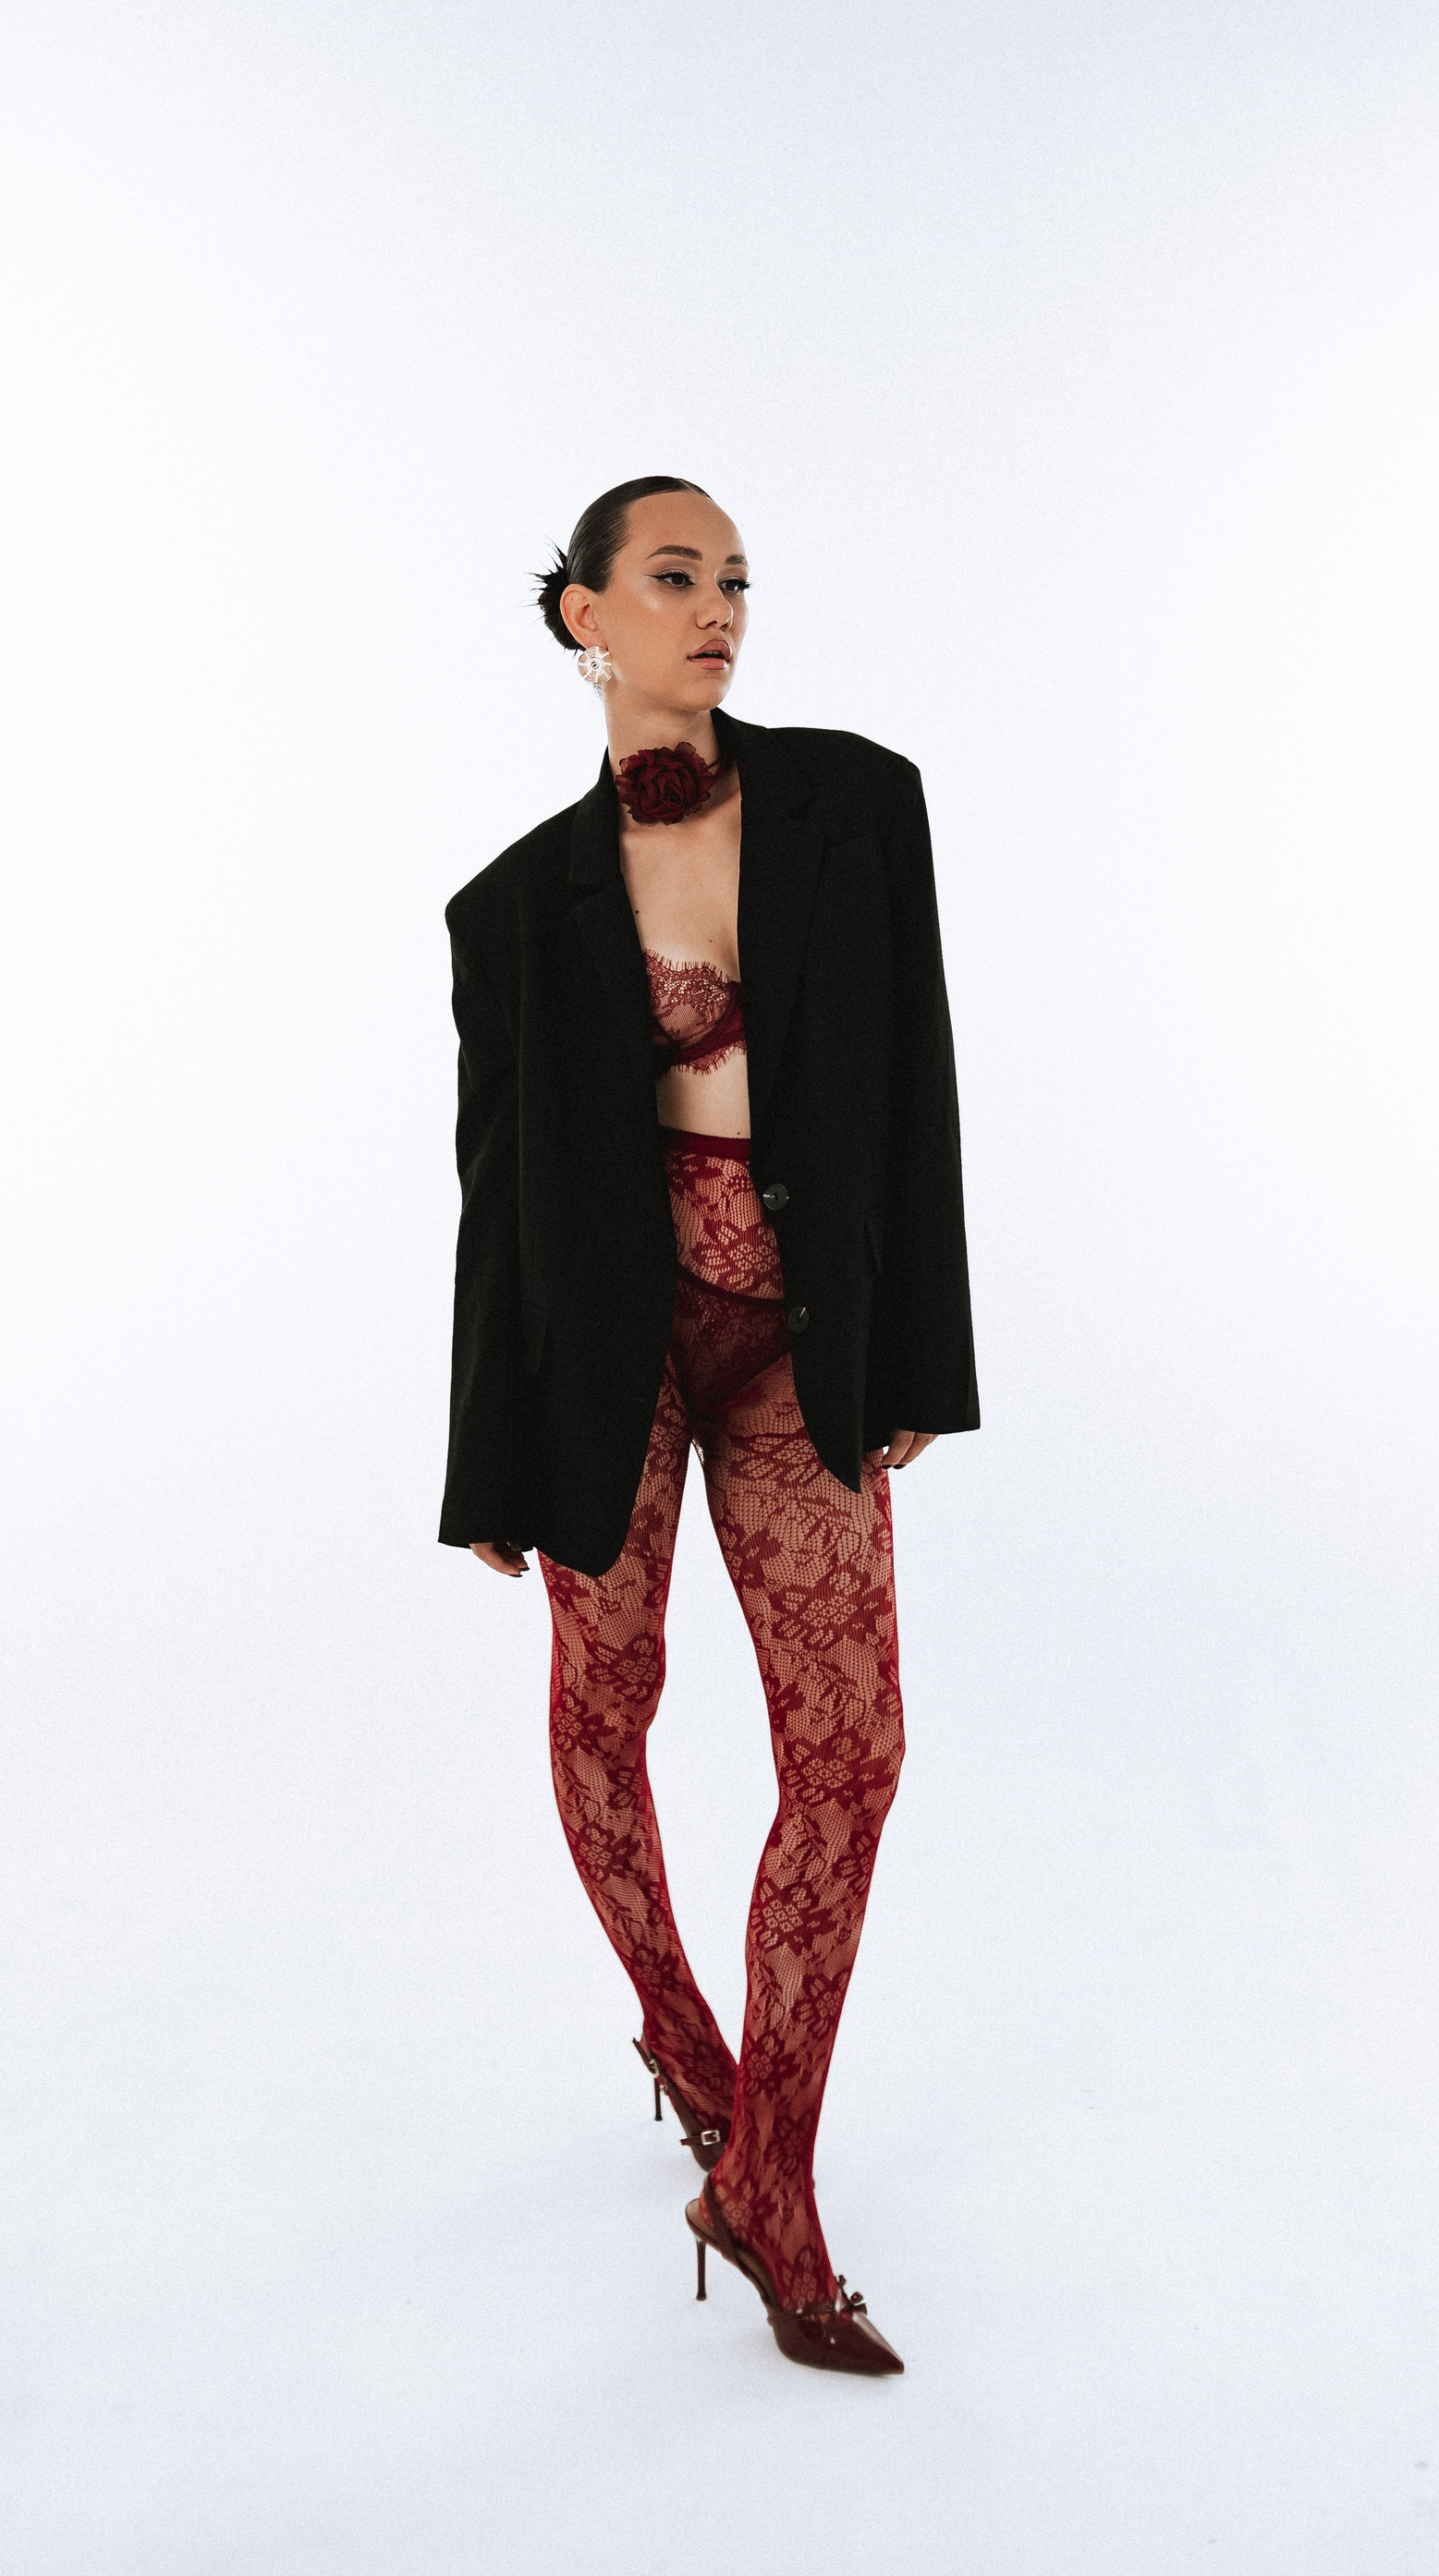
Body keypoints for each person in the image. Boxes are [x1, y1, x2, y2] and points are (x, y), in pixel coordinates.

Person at [439, 476, 978, 2375]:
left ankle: (770, 2180)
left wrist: (918, 1361)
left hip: (795, 1343)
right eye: (674, 577)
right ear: (585, 615)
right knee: (610, 1700)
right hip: (609, 1358)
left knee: (854, 1754)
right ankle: (686, 2044)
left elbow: (918, 1084)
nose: (717, 606)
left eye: (736, 578)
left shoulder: (859, 804)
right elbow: (496, 1192)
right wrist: (487, 1456)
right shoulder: (513, 906)